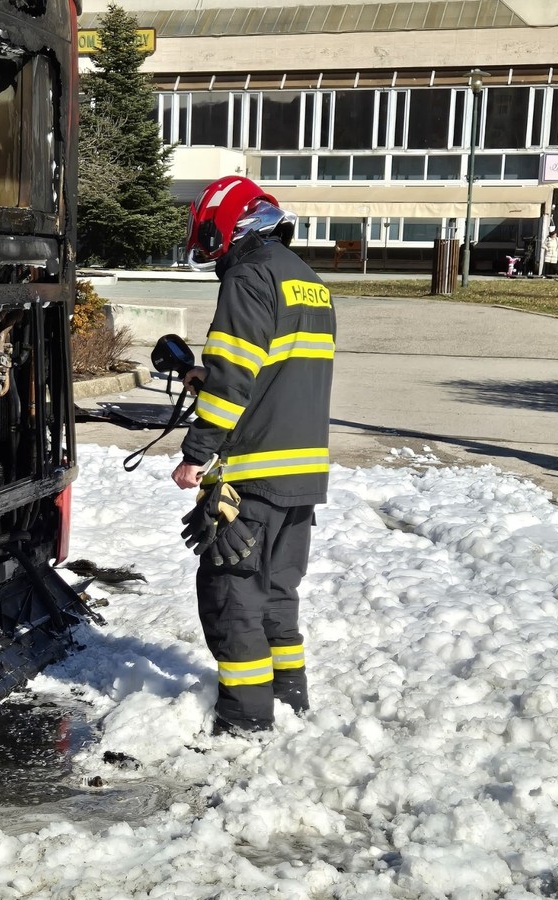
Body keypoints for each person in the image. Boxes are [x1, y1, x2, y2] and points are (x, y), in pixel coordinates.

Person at [171, 176, 336, 735]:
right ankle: (289, 699)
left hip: (252, 474)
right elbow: (273, 370)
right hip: (302, 473)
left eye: (207, 241)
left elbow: (232, 384)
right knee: (276, 592)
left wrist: (195, 454)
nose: (209, 254)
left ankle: (244, 723)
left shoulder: (246, 277)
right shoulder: (307, 280)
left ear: (225, 225)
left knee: (232, 595)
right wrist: (208, 373)